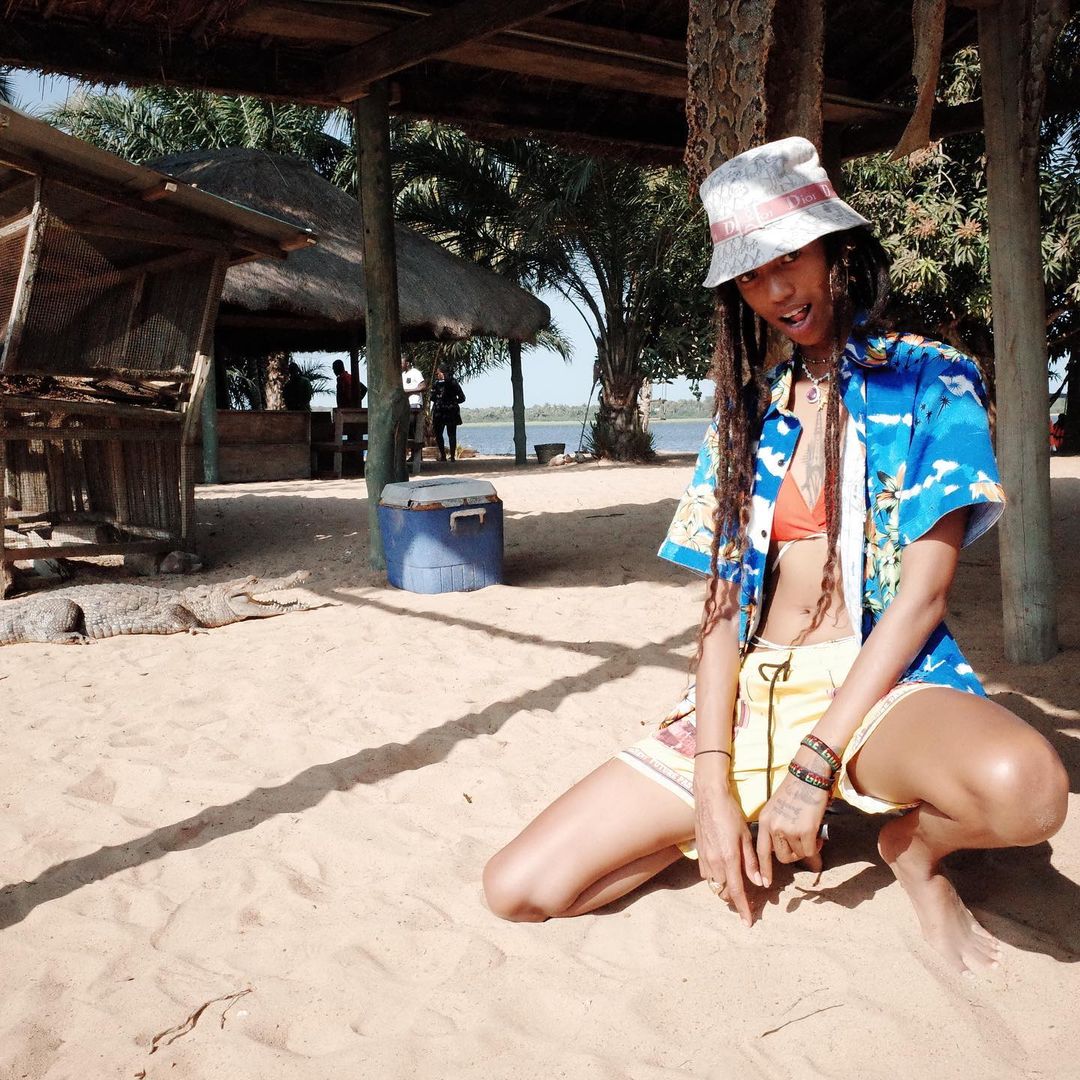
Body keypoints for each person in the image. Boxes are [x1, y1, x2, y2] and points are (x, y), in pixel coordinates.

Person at [482, 137, 1068, 975]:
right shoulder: (747, 414)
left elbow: (921, 600)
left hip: (880, 684)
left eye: (790, 259)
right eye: (752, 277)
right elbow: (722, 614)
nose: (777, 292)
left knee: (1028, 791)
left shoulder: (930, 379)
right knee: (519, 888)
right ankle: (731, 818)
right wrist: (713, 787)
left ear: (836, 248)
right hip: (757, 692)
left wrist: (815, 764)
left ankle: (911, 850)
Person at [430, 364, 467, 462]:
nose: (437, 375)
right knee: (451, 434)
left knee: (439, 434)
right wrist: (453, 402)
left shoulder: (437, 384)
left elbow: (432, 397)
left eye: (437, 373)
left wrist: (440, 401)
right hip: (451, 411)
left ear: (442, 373)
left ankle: (443, 456)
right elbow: (462, 398)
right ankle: (452, 457)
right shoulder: (453, 382)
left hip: (440, 411)